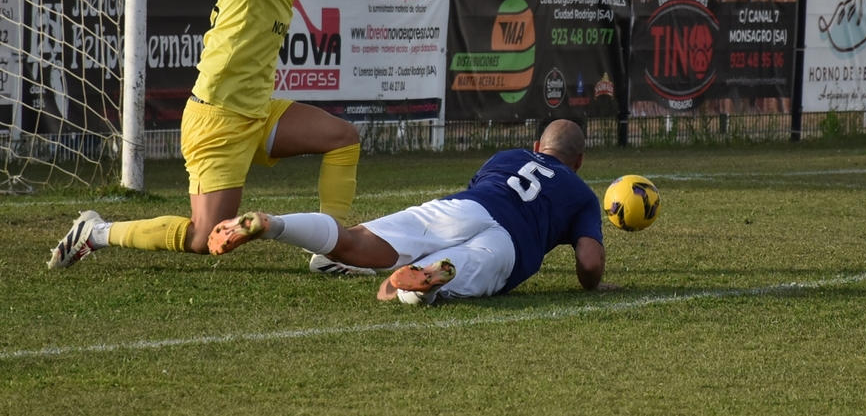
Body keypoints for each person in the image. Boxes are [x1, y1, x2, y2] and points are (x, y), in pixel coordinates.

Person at [49, 0, 372, 276]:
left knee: (342, 138)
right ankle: (96, 232)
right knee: (204, 238)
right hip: (218, 119)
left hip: (257, 112)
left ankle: (331, 251)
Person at [207, 120, 607, 305]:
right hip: (509, 244)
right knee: (395, 291)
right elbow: (589, 262)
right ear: (579, 161)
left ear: (537, 145)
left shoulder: (508, 156)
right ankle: (426, 283)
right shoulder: (582, 193)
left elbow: (478, 190)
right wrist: (593, 285)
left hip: (465, 208)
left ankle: (273, 225)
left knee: (353, 241)